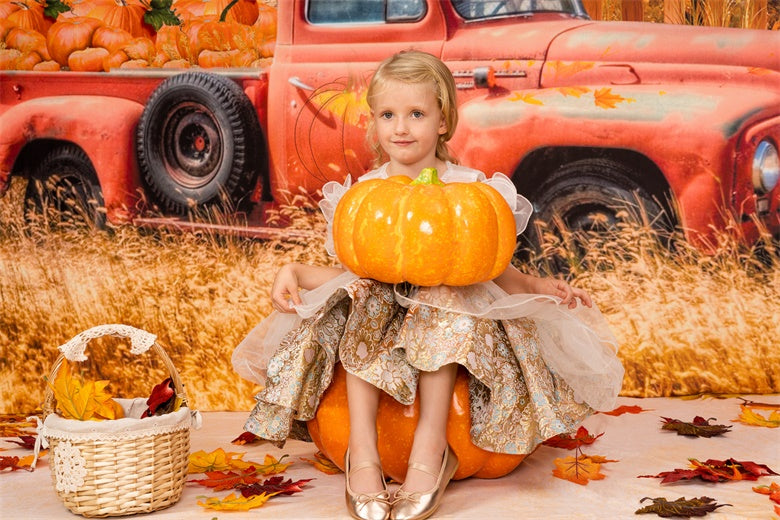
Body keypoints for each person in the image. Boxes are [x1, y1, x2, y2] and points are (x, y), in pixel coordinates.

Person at [232, 50, 624, 520]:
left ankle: (430, 448)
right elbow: (356, 270)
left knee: (443, 298)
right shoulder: (367, 193)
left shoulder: (469, 188)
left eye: (416, 113)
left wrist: (535, 283)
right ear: (374, 123)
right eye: (388, 115)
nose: (401, 127)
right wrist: (294, 272)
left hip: (456, 312)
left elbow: (486, 266)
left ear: (442, 120)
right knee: (363, 298)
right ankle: (364, 453)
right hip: (380, 310)